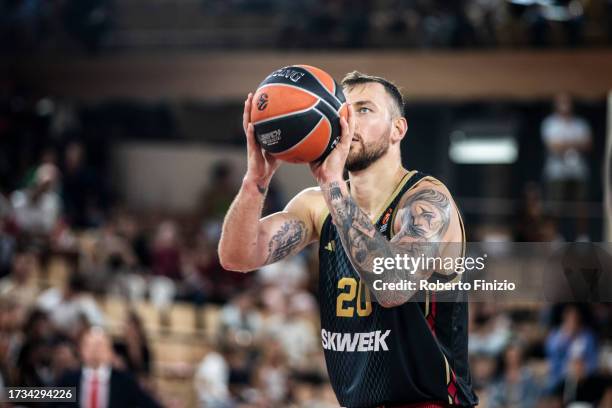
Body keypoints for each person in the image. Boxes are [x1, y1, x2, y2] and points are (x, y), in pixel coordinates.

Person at [219, 71, 478, 407]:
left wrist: (333, 187)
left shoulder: (426, 201)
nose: (349, 121)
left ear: (397, 129)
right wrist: (255, 180)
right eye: (344, 110)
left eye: (365, 109)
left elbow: (392, 286)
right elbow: (236, 256)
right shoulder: (317, 204)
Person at [54, 327, 162, 408]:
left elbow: (149, 405)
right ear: (81, 350)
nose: (95, 350)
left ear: (110, 352)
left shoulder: (124, 382)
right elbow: (43, 400)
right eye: (90, 345)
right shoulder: (69, 380)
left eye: (100, 345)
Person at [541, 92, 592, 241]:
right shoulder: (550, 123)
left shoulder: (580, 124)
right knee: (555, 206)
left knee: (580, 205)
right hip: (556, 172)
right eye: (561, 102)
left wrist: (565, 143)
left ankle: (582, 237)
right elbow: (553, 146)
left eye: (567, 102)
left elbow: (588, 144)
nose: (565, 106)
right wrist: (575, 142)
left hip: (578, 171)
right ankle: (555, 237)